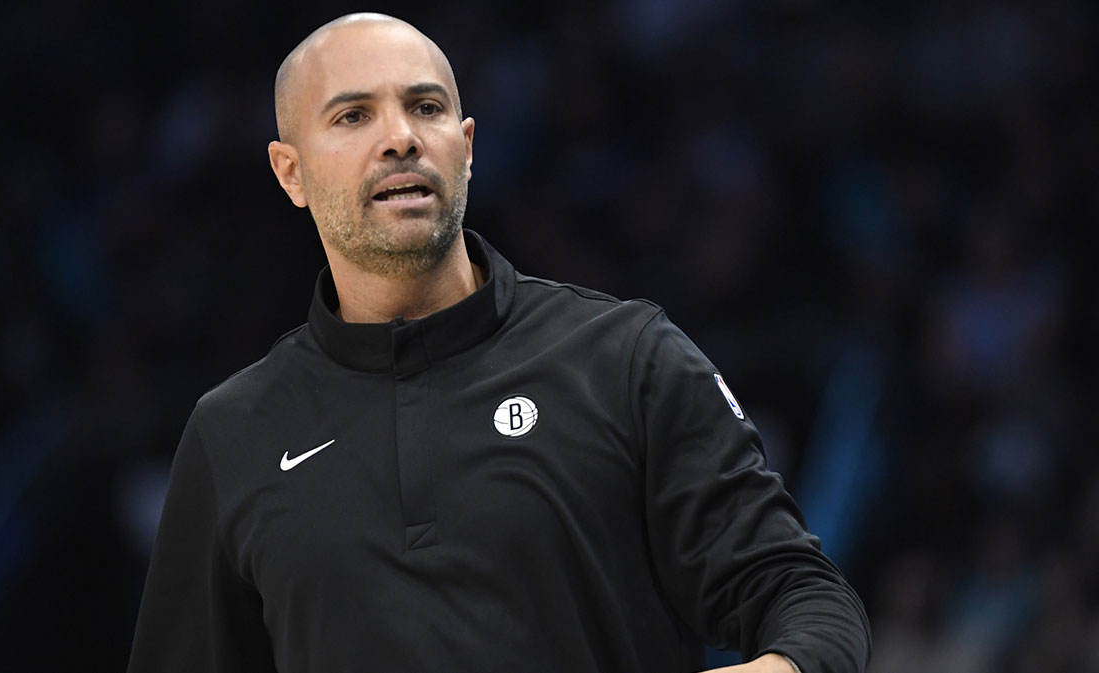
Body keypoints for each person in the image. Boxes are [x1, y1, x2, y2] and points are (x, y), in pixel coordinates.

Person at [126, 12, 870, 673]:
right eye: (353, 117)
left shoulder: (623, 358)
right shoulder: (233, 432)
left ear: (467, 145)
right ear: (291, 172)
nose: (401, 137)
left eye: (426, 107)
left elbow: (811, 606)